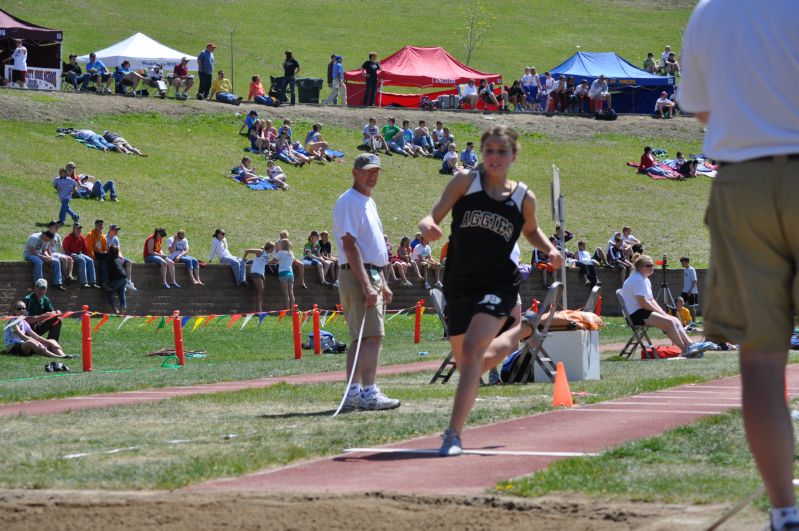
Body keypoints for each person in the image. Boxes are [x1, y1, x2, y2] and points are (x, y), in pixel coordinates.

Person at [680, 3, 799, 527]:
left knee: (761, 361)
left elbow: (703, 110)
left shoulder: (710, 12)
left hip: (743, 181)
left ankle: (784, 512)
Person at [418, 126, 562, 456]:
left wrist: (550, 250)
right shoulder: (464, 182)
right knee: (467, 362)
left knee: (471, 351)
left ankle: (452, 434)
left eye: (502, 151)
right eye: (490, 151)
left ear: (513, 156)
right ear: (482, 153)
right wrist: (427, 226)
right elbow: (433, 214)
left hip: (498, 283)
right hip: (459, 281)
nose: (495, 157)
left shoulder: (523, 197)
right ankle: (523, 329)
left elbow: (532, 230)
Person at [333, 153, 400, 412]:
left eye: (376, 171)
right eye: (367, 171)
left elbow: (369, 246)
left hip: (369, 273)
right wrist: (366, 284)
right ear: (355, 172)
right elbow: (349, 245)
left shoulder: (367, 202)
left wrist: (381, 280)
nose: (373, 175)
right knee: (371, 337)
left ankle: (354, 392)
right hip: (358, 274)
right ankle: (368, 391)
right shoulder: (349, 201)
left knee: (363, 338)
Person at [620, 255, 709, 358]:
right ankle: (685, 350)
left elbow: (651, 300)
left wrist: (662, 312)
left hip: (641, 311)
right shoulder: (637, 279)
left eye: (652, 265)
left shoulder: (645, 280)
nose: (651, 267)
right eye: (648, 265)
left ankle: (690, 344)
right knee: (669, 322)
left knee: (674, 319)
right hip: (635, 315)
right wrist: (662, 314)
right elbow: (643, 303)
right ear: (640, 267)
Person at [3, 301, 68, 358]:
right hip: (12, 347)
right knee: (30, 342)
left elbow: (36, 336)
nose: (22, 310)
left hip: (22, 345)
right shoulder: (13, 322)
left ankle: (64, 356)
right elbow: (22, 336)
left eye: (23, 308)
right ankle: (57, 357)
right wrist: (38, 342)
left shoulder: (24, 322)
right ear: (15, 311)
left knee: (52, 341)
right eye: (19, 309)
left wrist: (49, 342)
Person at [63, 222, 99, 289]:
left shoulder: (82, 237)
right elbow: (65, 249)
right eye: (77, 229)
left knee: (90, 260)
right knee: (82, 261)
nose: (79, 230)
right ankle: (84, 283)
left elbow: (84, 249)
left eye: (80, 229)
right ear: (73, 229)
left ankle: (93, 282)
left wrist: (86, 256)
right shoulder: (68, 237)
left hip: (79, 253)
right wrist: (70, 256)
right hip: (71, 253)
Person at [243, 241, 274, 313]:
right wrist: (243, 260)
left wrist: (274, 262)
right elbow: (247, 251)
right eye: (273, 248)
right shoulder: (260, 252)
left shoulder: (268, 254)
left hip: (261, 273)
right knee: (261, 291)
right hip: (255, 272)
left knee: (260, 292)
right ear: (270, 247)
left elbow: (265, 263)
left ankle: (258, 311)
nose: (273, 250)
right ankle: (259, 311)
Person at [106, 224, 137, 291]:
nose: (117, 231)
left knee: (129, 262)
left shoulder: (116, 239)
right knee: (118, 262)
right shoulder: (105, 238)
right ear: (110, 230)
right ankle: (123, 282)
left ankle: (129, 281)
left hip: (116, 256)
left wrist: (121, 257)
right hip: (110, 257)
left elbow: (118, 250)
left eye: (117, 230)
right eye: (115, 230)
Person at [45, 220, 75, 285]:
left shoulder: (57, 236)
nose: (57, 227)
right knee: (64, 259)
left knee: (70, 259)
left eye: (58, 226)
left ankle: (70, 276)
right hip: (50, 253)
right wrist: (49, 256)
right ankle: (65, 277)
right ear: (50, 227)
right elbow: (45, 247)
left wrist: (65, 254)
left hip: (56, 253)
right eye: (55, 225)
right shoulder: (47, 234)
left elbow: (61, 247)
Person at [84, 219, 108, 284]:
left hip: (100, 254)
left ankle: (105, 281)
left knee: (108, 259)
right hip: (91, 254)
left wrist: (104, 252)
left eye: (102, 225)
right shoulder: (90, 235)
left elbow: (105, 249)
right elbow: (89, 249)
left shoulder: (103, 236)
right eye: (99, 225)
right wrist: (93, 258)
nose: (101, 227)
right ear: (95, 226)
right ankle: (100, 281)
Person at [105, 245, 128, 314]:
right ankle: (122, 310)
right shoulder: (118, 259)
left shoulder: (108, 260)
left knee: (109, 291)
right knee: (122, 294)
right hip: (124, 278)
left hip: (115, 279)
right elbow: (122, 263)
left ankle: (115, 309)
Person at [275, 238, 296, 309]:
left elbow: (273, 260)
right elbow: (292, 261)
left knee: (286, 294)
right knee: (291, 293)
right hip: (290, 273)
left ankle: (287, 311)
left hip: (283, 273)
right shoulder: (291, 253)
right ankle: (293, 311)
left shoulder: (281, 252)